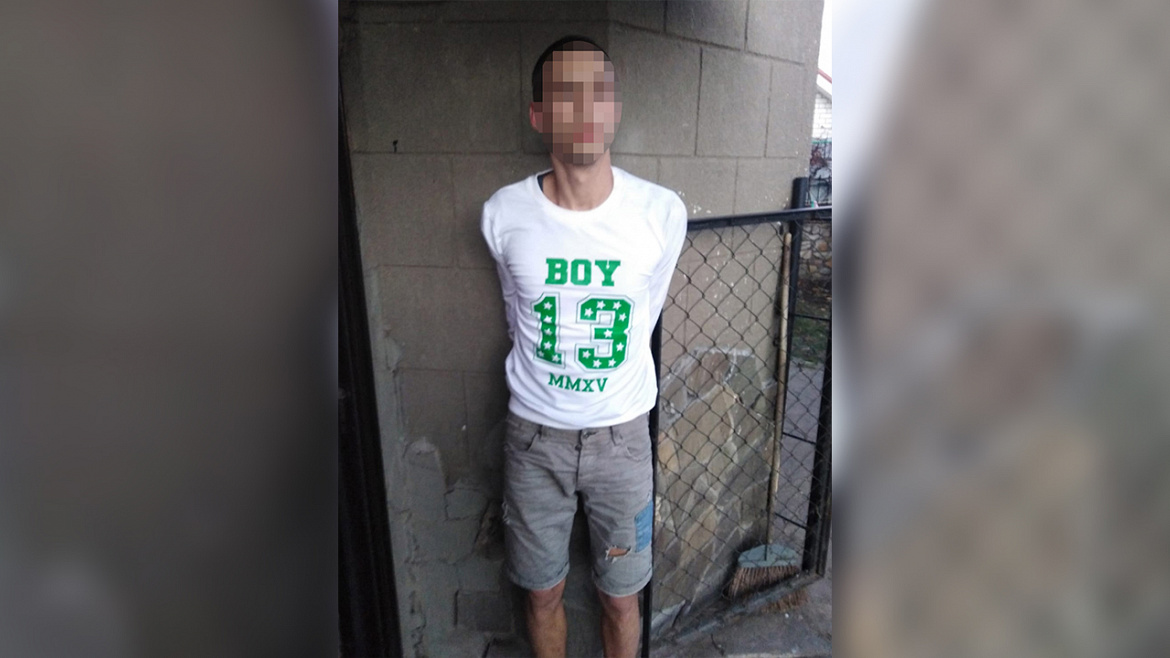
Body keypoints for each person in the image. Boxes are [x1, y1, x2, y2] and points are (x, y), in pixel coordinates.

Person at [480, 36, 688, 658]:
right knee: (541, 593)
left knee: (622, 598)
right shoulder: (503, 215)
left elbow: (645, 313)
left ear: (615, 108)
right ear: (538, 114)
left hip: (622, 441)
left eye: (599, 92)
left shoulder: (660, 213)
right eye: (566, 94)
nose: (586, 108)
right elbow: (517, 315)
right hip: (533, 440)